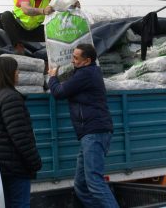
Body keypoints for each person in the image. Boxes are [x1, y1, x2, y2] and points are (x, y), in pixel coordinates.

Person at [47, 43, 119, 208]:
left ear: (87, 61)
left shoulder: (86, 74)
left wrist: (52, 77)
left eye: (75, 58)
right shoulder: (84, 73)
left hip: (94, 132)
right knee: (81, 185)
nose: (72, 61)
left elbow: (59, 93)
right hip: (89, 133)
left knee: (94, 182)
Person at [0, 56, 42, 208]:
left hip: (0, 167)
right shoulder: (11, 98)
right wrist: (35, 163)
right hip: (15, 168)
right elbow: (21, 137)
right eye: (16, 70)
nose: (18, 73)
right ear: (9, 73)